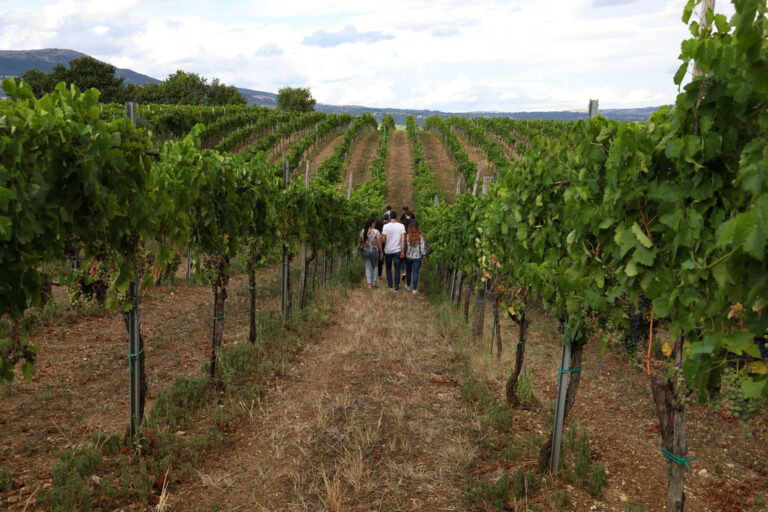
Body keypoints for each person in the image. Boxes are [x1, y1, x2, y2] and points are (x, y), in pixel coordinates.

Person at [381, 211, 406, 291]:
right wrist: (402, 251)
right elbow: (403, 239)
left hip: (388, 250)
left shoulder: (385, 227)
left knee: (388, 268)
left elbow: (383, 240)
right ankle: (396, 287)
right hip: (397, 250)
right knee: (397, 269)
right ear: (397, 217)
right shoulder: (401, 226)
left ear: (389, 218)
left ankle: (390, 285)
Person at [404, 222, 427, 294]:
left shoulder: (407, 236)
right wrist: (424, 255)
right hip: (417, 257)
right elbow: (422, 248)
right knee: (415, 273)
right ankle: (414, 289)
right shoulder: (420, 236)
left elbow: (405, 247)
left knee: (408, 271)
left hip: (408, 256)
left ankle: (408, 286)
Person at [359, 217, 382, 288]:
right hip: (374, 252)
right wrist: (381, 252)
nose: (375, 224)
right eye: (374, 223)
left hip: (365, 252)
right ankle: (374, 282)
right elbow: (379, 243)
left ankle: (369, 284)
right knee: (375, 266)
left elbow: (361, 241)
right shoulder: (376, 231)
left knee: (368, 267)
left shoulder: (363, 231)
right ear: (372, 223)